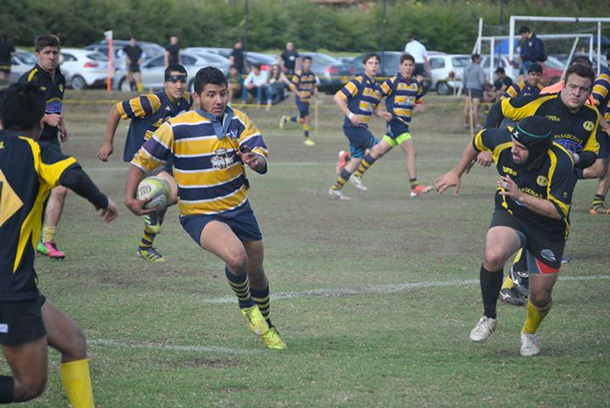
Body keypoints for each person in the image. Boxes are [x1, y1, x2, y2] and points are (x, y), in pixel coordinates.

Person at [124, 66, 286, 350]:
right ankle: (248, 309)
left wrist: (255, 161)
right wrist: (129, 198)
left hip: (239, 208)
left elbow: (259, 155)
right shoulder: (176, 127)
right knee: (236, 259)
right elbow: (141, 160)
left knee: (256, 271)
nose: (219, 100)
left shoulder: (238, 121)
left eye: (223, 93)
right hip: (199, 213)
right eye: (211, 95)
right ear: (196, 96)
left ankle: (268, 323)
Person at [0, 82, 119, 405]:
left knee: (73, 341)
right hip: (9, 288)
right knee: (29, 385)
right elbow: (72, 175)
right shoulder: (36, 150)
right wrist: (102, 201)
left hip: (21, 287)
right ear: (41, 122)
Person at [434, 116, 577, 357]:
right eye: (513, 143)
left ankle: (529, 333)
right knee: (494, 255)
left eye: (521, 148)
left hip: (548, 229)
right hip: (511, 212)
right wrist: (456, 171)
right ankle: (488, 317)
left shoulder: (560, 162)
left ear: (539, 151)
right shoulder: (503, 141)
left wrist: (520, 195)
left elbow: (558, 210)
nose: (513, 150)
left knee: (540, 297)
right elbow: (478, 140)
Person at [484, 63, 600, 306]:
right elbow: (503, 107)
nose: (576, 93)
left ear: (590, 92)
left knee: (546, 229)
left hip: (561, 183)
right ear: (563, 84)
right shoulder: (542, 103)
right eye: (572, 86)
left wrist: (573, 160)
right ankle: (513, 282)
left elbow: (592, 152)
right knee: (527, 226)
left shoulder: (592, 117)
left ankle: (517, 281)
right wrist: (490, 137)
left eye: (584, 89)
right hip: (529, 180)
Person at [97, 64, 191, 262]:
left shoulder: (187, 101)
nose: (179, 85)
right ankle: (150, 213)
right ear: (165, 83)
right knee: (169, 193)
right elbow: (116, 109)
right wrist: (107, 142)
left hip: (164, 157)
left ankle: (145, 247)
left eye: (183, 80)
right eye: (174, 80)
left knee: (164, 201)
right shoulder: (152, 102)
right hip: (142, 158)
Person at [338, 54, 432, 197]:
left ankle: (352, 168)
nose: (407, 68)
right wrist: (379, 112)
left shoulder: (415, 84)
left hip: (405, 124)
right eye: (405, 65)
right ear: (400, 66)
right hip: (395, 123)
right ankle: (414, 186)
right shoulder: (391, 82)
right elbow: (375, 98)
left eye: (410, 65)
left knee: (377, 152)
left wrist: (419, 108)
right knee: (412, 151)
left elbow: (419, 103)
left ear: (413, 67)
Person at [18, 35, 70, 259]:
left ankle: (47, 241)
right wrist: (44, 119)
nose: (51, 57)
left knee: (59, 188)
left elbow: (55, 106)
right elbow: (18, 115)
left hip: (50, 142)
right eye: (47, 53)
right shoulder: (29, 79)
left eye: (55, 53)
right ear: (37, 54)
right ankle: (25, 238)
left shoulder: (60, 78)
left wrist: (61, 122)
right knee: (28, 195)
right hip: (30, 143)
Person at [328, 53, 392, 200]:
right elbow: (338, 97)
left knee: (356, 161)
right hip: (352, 126)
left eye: (376, 63)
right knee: (379, 148)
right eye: (370, 63)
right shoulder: (358, 82)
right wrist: (350, 115)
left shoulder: (376, 87)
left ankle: (335, 189)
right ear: (364, 66)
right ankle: (357, 175)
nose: (374, 66)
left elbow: (373, 108)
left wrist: (381, 113)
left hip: (362, 127)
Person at [588, 50, 610, 215]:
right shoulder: (604, 80)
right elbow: (592, 105)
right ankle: (567, 169)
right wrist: (606, 127)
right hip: (601, 131)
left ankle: (597, 203)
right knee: (598, 169)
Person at [279, 56, 317, 146]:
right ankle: (307, 139)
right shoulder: (298, 73)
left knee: (302, 120)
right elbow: (292, 86)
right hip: (300, 99)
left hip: (307, 99)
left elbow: (314, 86)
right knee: (307, 118)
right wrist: (298, 93)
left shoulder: (312, 74)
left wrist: (315, 93)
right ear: (303, 63)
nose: (308, 64)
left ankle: (286, 118)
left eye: (310, 62)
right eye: (307, 62)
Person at [462, 54, 486, 130]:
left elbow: (463, 79)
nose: (481, 60)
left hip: (468, 88)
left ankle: (465, 124)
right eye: (480, 59)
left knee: (467, 106)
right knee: (475, 107)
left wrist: (466, 86)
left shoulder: (467, 67)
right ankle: (477, 124)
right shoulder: (479, 68)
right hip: (477, 89)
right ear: (476, 59)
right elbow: (482, 81)